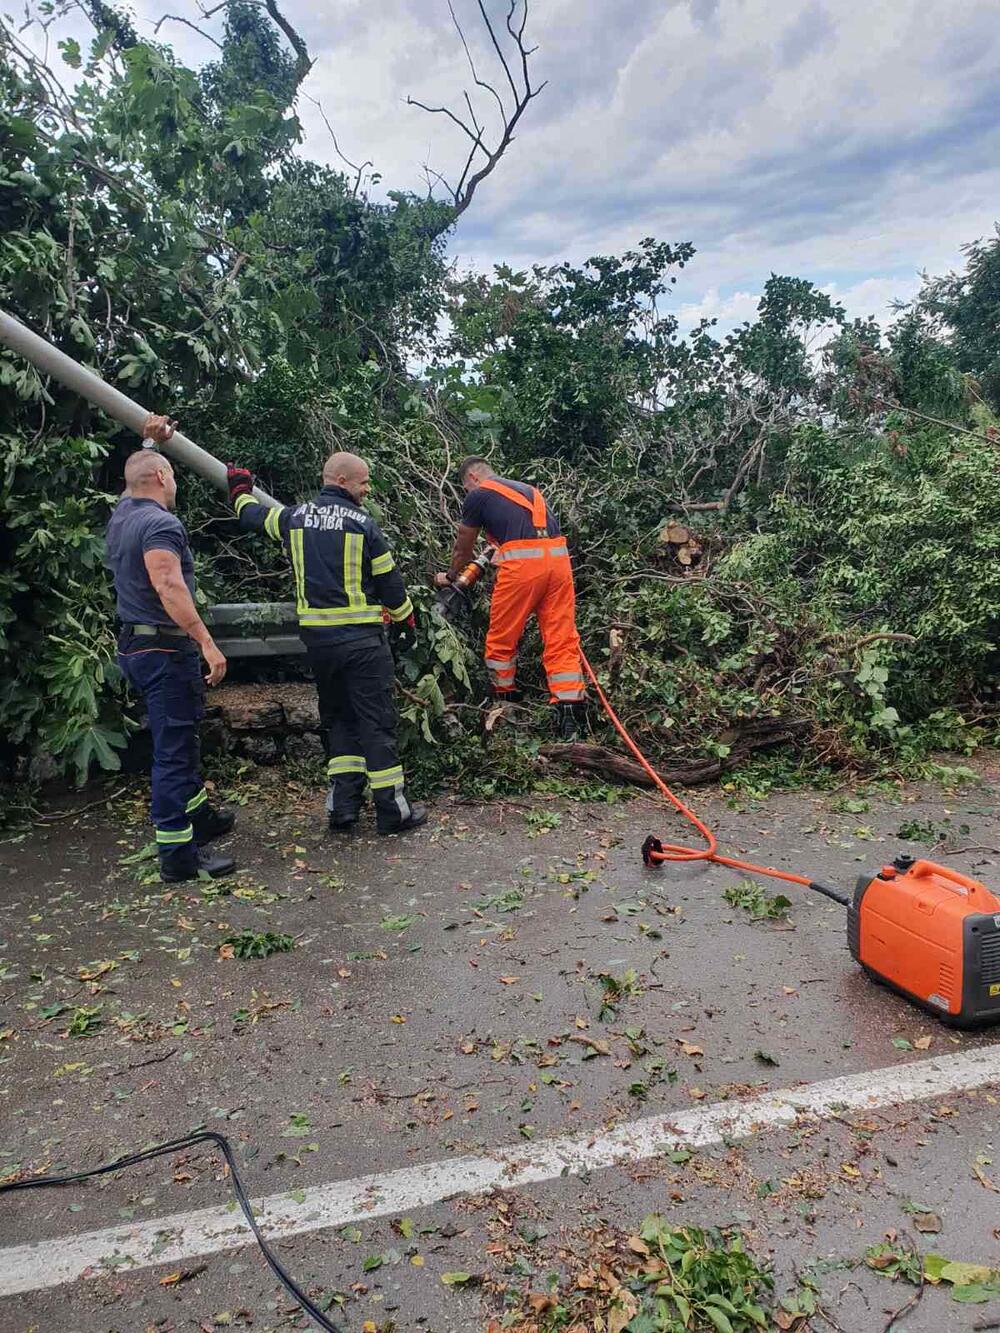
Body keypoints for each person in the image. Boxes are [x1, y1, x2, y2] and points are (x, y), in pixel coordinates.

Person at [226, 452, 427, 836]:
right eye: (363, 482)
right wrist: (406, 622)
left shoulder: (295, 518)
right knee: (377, 723)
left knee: (338, 720)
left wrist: (239, 489)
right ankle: (392, 812)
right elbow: (390, 584)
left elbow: (252, 517)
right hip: (363, 645)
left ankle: (343, 809)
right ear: (341, 480)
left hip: (320, 647)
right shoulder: (363, 525)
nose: (367, 490)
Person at [105, 415, 236, 883]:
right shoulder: (161, 524)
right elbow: (168, 585)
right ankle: (178, 855)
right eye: (173, 474)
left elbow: (132, 481)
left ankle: (198, 816)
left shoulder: (123, 515)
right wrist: (207, 642)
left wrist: (149, 442)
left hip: (137, 647)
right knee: (174, 751)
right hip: (164, 650)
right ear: (162, 477)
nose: (175, 481)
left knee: (181, 739)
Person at [435, 457, 586, 738]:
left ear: (473, 478)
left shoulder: (479, 495)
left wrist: (452, 575)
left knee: (502, 637)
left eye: (465, 488)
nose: (467, 493)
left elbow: (463, 546)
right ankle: (569, 708)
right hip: (559, 563)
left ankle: (505, 701)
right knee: (561, 637)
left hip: (523, 568)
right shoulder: (528, 490)